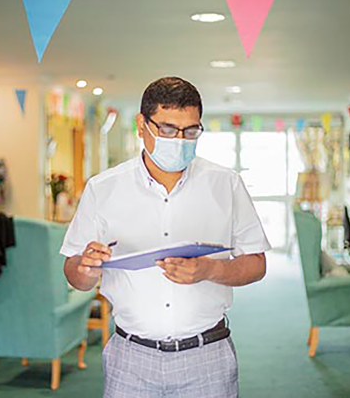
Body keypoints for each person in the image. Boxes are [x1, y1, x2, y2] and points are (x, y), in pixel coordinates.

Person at [61, 76, 270, 397]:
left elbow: (257, 264)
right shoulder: (103, 188)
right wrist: (86, 269)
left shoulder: (225, 184)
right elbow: (76, 275)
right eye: (169, 130)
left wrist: (209, 270)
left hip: (207, 355)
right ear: (141, 125)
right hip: (130, 357)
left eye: (191, 131)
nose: (181, 140)